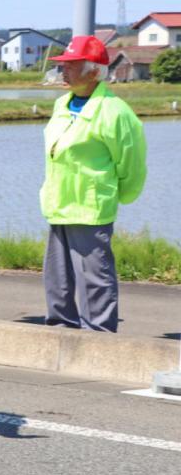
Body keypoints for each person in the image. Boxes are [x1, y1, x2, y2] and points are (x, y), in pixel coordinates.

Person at [40, 35, 147, 332]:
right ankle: (60, 332)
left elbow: (131, 164)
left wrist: (114, 195)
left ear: (94, 71)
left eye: (71, 66)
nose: (64, 71)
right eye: (63, 65)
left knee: (94, 281)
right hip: (57, 203)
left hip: (89, 207)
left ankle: (98, 338)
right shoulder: (62, 103)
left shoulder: (114, 111)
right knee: (57, 280)